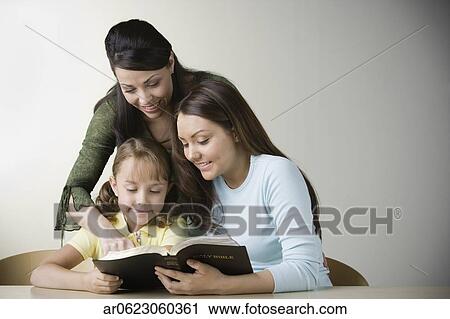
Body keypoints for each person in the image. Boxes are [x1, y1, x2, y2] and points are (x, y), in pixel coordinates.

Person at [56, 19, 232, 252]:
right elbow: (73, 192)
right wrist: (108, 234)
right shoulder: (112, 112)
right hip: (146, 237)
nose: (145, 99)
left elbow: (244, 158)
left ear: (170, 62)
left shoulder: (209, 92)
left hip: (218, 225)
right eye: (129, 89)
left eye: (153, 83)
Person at [153, 80, 332, 294]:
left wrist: (219, 285)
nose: (191, 154)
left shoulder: (275, 172)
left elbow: (306, 270)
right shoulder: (205, 182)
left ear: (235, 131)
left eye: (202, 140)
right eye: (184, 143)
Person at [32, 138, 186, 294]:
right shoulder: (100, 227)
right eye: (131, 189)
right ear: (115, 186)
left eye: (155, 191)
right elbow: (39, 274)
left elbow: (170, 271)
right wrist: (86, 281)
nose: (142, 201)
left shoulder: (172, 226)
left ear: (167, 189)